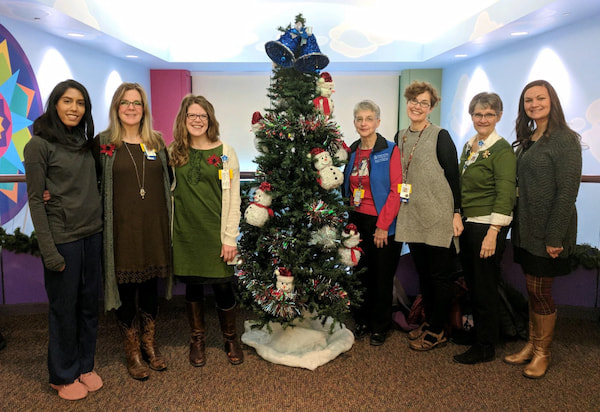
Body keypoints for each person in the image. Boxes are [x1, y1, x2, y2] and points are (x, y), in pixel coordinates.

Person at [23, 80, 103, 401]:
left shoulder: (83, 143)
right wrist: (49, 251)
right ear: (55, 104)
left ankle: (84, 365)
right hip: (62, 240)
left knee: (87, 307)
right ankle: (62, 373)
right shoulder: (38, 145)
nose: (74, 108)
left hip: (91, 235)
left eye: (80, 103)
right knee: (63, 309)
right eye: (67, 101)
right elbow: (35, 199)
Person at [94, 83, 172, 380]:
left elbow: (170, 182)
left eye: (137, 103)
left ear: (144, 109)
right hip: (121, 232)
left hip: (154, 229)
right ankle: (133, 352)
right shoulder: (104, 143)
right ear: (116, 107)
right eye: (125, 102)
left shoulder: (157, 142)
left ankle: (150, 345)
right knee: (126, 292)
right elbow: (89, 182)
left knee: (150, 288)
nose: (131, 107)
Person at [504, 80, 581, 379]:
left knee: (541, 292)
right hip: (526, 227)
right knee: (532, 289)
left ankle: (542, 353)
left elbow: (567, 193)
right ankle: (531, 345)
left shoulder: (564, 139)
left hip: (549, 229)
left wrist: (554, 236)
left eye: (540, 98)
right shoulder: (529, 138)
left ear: (553, 101)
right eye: (528, 100)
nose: (534, 104)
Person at [169, 94, 243, 366]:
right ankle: (197, 339)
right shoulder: (173, 152)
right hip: (185, 234)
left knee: (223, 286)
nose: (197, 121)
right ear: (183, 120)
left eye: (202, 116)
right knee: (193, 288)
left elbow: (234, 196)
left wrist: (229, 237)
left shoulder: (225, 151)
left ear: (210, 119)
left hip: (216, 233)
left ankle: (230, 337)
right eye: (192, 116)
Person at [394, 81, 463, 351]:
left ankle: (438, 329)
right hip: (412, 216)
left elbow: (453, 177)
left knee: (440, 276)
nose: (417, 106)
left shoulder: (441, 136)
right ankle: (429, 320)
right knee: (424, 274)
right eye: (414, 100)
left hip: (437, 216)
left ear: (431, 107)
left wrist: (456, 213)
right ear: (407, 103)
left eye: (424, 102)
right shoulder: (400, 136)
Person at [453, 92, 516, 364]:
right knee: (475, 285)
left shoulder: (501, 150)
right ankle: (479, 333)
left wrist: (493, 233)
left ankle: (486, 345)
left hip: (487, 227)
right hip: (470, 224)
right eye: (478, 114)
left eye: (489, 114)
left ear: (499, 116)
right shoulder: (471, 146)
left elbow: (505, 193)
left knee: (485, 287)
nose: (483, 119)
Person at [343, 100, 402, 346]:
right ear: (355, 122)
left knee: (381, 277)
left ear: (378, 121)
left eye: (369, 118)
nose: (364, 123)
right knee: (360, 274)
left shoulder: (390, 149)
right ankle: (363, 320)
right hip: (356, 222)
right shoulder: (353, 150)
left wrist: (383, 226)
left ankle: (380, 325)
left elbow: (397, 190)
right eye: (359, 119)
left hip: (382, 222)